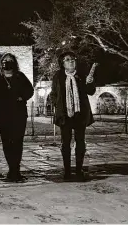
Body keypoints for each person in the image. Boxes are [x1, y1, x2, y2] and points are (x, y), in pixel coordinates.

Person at [0, 53, 34, 182]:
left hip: (18, 114)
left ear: (14, 62)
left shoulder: (20, 76)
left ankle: (16, 170)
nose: (7, 62)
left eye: (10, 60)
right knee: (7, 143)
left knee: (17, 142)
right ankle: (11, 169)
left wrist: (22, 97)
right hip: (3, 115)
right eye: (5, 60)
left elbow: (30, 90)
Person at [50, 51, 96, 181]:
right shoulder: (58, 76)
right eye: (68, 59)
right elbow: (54, 94)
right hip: (65, 115)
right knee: (65, 143)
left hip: (80, 114)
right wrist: (57, 106)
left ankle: (79, 169)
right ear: (62, 63)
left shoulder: (82, 75)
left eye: (73, 59)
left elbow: (90, 91)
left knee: (80, 142)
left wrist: (90, 83)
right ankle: (67, 171)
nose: (71, 61)